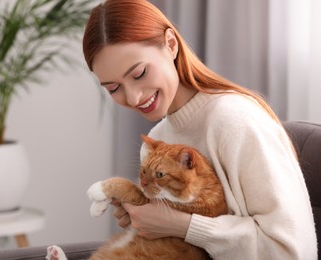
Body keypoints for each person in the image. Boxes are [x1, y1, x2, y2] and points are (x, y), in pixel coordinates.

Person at [82, 0, 317, 259]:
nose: (134, 97)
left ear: (171, 45)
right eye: (114, 88)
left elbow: (294, 252)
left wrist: (183, 226)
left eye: (139, 74)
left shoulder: (236, 121)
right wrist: (145, 221)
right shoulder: (157, 141)